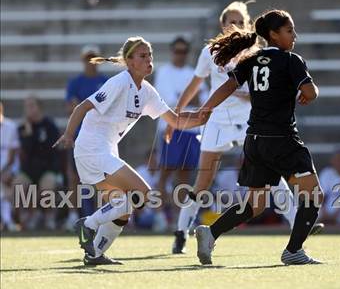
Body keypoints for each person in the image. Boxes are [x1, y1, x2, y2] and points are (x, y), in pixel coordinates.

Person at [169, 1, 322, 254]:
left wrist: (203, 110)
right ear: (274, 34)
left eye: (240, 21)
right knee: (311, 193)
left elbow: (228, 86)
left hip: (252, 134)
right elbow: (308, 91)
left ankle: (212, 232)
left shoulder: (252, 56)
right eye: (290, 30)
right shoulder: (290, 59)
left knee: (256, 203)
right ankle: (294, 249)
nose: (294, 35)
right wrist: (309, 92)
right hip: (276, 135)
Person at [53, 36, 210, 266]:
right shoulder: (119, 82)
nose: (149, 60)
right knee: (144, 194)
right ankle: (87, 225)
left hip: (105, 151)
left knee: (123, 210)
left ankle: (94, 253)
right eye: (143, 56)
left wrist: (204, 118)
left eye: (150, 55)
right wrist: (68, 134)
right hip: (91, 149)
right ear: (130, 61)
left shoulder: (146, 91)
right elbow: (82, 106)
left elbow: (175, 121)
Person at [153, 37, 205, 232]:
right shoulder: (163, 72)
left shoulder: (193, 73)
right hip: (171, 128)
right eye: (177, 51)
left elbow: (203, 99)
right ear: (172, 51)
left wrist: (187, 100)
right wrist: (191, 99)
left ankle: (177, 219)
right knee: (165, 173)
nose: (180, 54)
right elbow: (170, 101)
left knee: (184, 177)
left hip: (191, 130)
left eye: (183, 51)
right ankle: (159, 216)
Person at [64, 45, 108, 230]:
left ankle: (99, 216)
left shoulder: (106, 82)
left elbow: (105, 109)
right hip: (79, 137)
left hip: (100, 137)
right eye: (88, 58)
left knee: (101, 179)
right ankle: (73, 215)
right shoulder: (76, 83)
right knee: (74, 177)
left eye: (94, 57)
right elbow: (72, 108)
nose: (91, 62)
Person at [14, 97, 62, 230]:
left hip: (48, 168)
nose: (29, 109)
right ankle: (31, 214)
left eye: (31, 105)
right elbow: (27, 151)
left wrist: (34, 138)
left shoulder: (49, 125)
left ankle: (49, 216)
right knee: (18, 184)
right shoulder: (23, 127)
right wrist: (29, 134)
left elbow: (50, 148)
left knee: (47, 186)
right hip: (29, 170)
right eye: (27, 106)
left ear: (39, 107)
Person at [0, 102, 20, 232]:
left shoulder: (11, 127)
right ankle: (6, 221)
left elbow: (12, 157)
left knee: (4, 183)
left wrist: (4, 171)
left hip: (8, 169)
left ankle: (7, 221)